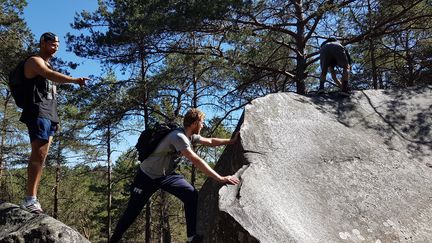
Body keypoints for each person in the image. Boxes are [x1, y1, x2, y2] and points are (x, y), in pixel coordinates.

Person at [109, 108, 240, 243]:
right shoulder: (178, 137)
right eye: (202, 122)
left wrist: (231, 141)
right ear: (194, 123)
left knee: (191, 194)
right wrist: (220, 178)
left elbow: (211, 141)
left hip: (166, 176)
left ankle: (191, 237)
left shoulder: (190, 136)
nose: (203, 125)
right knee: (132, 212)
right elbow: (196, 160)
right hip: (146, 177)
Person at [19, 32, 89, 213]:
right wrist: (74, 80)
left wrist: (56, 118)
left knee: (42, 158)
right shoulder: (34, 61)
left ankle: (32, 198)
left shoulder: (48, 63)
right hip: (38, 112)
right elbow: (49, 74)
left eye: (58, 44)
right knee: (38, 154)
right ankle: (29, 199)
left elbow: (51, 91)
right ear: (43, 43)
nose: (56, 46)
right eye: (52, 43)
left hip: (50, 114)